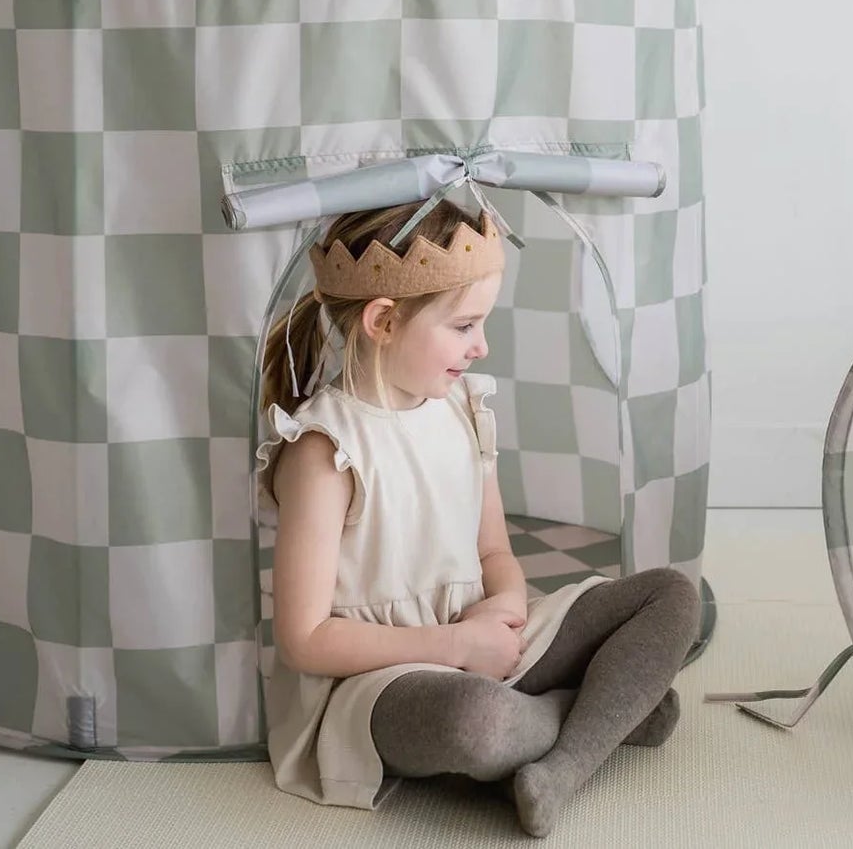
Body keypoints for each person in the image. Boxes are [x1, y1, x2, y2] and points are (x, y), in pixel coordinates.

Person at [256, 197, 700, 837]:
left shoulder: (463, 407)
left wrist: (507, 609)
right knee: (479, 723)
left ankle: (561, 765)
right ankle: (601, 716)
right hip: (380, 681)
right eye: (464, 326)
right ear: (384, 320)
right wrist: (456, 647)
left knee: (670, 595)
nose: (482, 346)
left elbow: (494, 552)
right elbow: (305, 640)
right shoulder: (325, 452)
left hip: (481, 640)